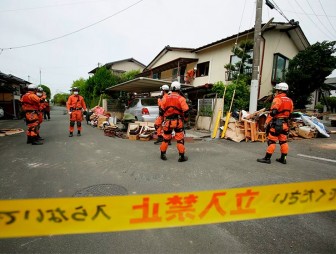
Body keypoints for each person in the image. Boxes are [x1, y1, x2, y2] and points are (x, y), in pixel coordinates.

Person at [257, 82, 294, 164]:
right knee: (283, 141)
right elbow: (290, 114)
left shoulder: (277, 99)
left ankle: (267, 158)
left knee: (271, 141)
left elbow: (273, 112)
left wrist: (267, 122)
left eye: (277, 90)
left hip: (277, 123)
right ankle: (283, 158)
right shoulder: (290, 100)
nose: (276, 91)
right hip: (285, 124)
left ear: (280, 91)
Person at [159, 81, 189, 162]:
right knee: (180, 139)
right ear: (179, 89)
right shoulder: (181, 99)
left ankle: (162, 155)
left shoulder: (165, 98)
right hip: (178, 122)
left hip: (167, 122)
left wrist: (161, 121)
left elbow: (161, 111)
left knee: (165, 139)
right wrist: (185, 120)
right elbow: (186, 111)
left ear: (171, 89)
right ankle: (181, 157)